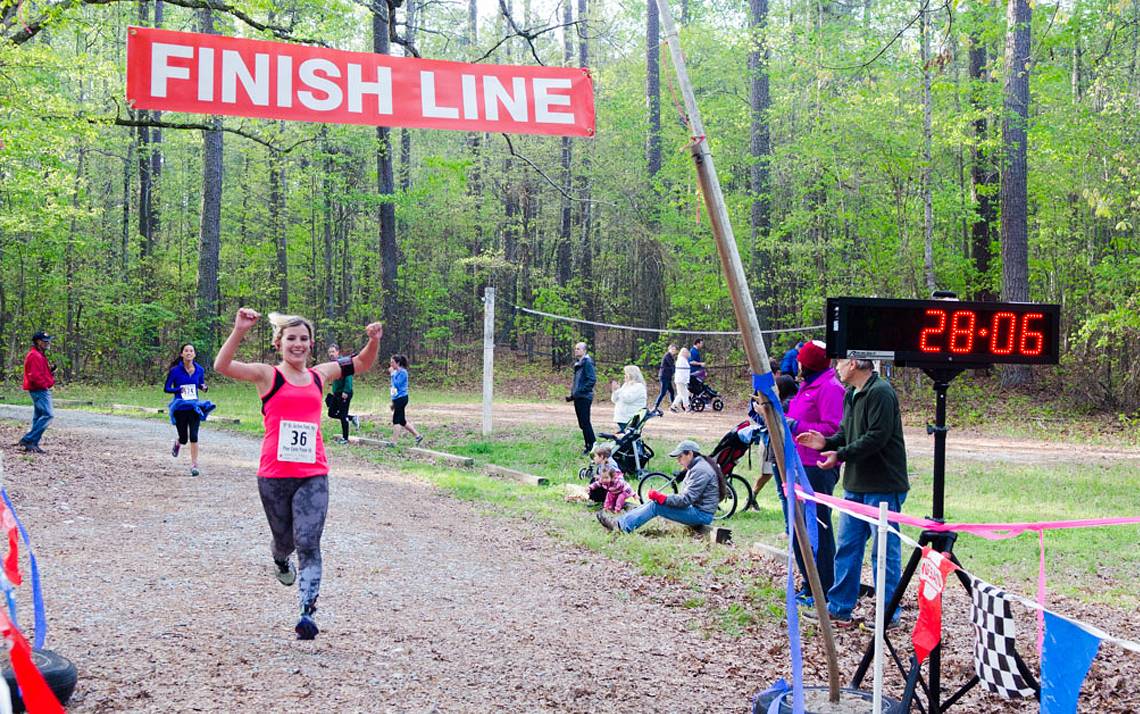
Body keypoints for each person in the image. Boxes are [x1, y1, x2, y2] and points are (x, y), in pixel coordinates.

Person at [214, 308, 383, 640]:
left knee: (308, 542)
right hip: (274, 475)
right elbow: (222, 366)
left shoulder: (321, 375)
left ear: (311, 344)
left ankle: (307, 610)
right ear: (279, 343)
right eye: (291, 338)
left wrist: (373, 341)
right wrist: (238, 330)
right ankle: (279, 559)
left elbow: (361, 363)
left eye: (303, 339)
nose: (298, 344)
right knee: (285, 541)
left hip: (313, 473)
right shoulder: (267, 375)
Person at [795, 358, 909, 629]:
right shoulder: (851, 394)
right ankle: (840, 608)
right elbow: (846, 432)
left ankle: (888, 614)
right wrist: (827, 442)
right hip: (855, 484)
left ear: (855, 363)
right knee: (848, 547)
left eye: (842, 361)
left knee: (883, 553)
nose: (836, 367)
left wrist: (840, 454)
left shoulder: (880, 392)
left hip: (884, 484)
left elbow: (877, 437)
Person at [784, 340, 846, 603]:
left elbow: (833, 429)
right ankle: (809, 584)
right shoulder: (807, 385)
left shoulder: (831, 388)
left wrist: (796, 424)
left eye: (800, 360)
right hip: (797, 463)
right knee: (799, 526)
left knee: (818, 526)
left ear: (807, 363)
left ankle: (823, 588)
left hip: (817, 467)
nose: (797, 363)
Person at [596, 439, 724, 534]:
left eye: (680, 456)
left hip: (701, 514)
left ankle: (622, 527)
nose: (678, 460)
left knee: (656, 505)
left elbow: (686, 500)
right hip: (698, 510)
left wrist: (663, 498)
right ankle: (621, 522)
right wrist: (662, 498)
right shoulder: (697, 466)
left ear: (690, 454)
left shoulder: (700, 470)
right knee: (655, 502)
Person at [164, 343, 215, 477]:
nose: (188, 353)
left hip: (194, 406)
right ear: (182, 354)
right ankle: (178, 442)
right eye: (186, 351)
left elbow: (200, 384)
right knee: (184, 438)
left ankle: (194, 465)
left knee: (194, 436)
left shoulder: (200, 370)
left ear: (194, 354)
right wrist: (177, 389)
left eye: (191, 351)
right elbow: (166, 388)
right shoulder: (175, 371)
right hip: (180, 407)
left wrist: (203, 387)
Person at [18, 331, 55, 454]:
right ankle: (28, 439)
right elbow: (34, 376)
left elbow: (40, 372)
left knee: (39, 417)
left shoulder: (39, 354)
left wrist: (50, 372)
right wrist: (45, 385)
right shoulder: (35, 355)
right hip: (39, 389)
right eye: (45, 341)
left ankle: (33, 443)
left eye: (48, 340)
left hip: (39, 388)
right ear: (38, 342)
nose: (48, 343)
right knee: (48, 415)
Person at [566, 342, 596, 455]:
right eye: (575, 349)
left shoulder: (587, 363)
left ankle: (592, 446)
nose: (576, 351)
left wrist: (580, 391)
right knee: (582, 424)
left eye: (578, 349)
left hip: (584, 397)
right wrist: (573, 395)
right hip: (578, 397)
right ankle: (588, 445)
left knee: (585, 422)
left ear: (584, 351)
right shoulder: (579, 363)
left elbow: (591, 380)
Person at [325, 344, 358, 445]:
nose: (331, 354)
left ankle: (345, 438)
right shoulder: (332, 364)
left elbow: (348, 377)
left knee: (343, 415)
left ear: (338, 352)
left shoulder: (344, 362)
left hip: (344, 393)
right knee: (331, 413)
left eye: (333, 352)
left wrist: (346, 391)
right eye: (330, 352)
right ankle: (352, 417)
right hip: (337, 393)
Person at [389, 354, 423, 445]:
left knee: (396, 420)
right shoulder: (395, 373)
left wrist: (392, 374)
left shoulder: (403, 373)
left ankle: (394, 442)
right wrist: (393, 401)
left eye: (392, 362)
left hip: (402, 398)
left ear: (398, 363)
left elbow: (398, 384)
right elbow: (393, 387)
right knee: (402, 421)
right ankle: (418, 436)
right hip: (397, 399)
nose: (391, 364)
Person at [610, 365, 647, 430]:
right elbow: (614, 400)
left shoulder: (639, 386)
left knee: (631, 437)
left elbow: (628, 399)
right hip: (622, 417)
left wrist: (619, 390)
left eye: (626, 374)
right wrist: (615, 391)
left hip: (631, 418)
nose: (624, 375)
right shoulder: (626, 385)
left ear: (631, 374)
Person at [652, 344, 677, 416]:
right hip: (664, 376)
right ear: (669, 349)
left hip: (668, 377)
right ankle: (655, 406)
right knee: (663, 392)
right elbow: (672, 366)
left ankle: (673, 406)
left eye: (674, 349)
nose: (673, 351)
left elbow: (673, 367)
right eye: (672, 349)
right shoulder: (667, 356)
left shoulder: (672, 357)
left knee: (672, 392)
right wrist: (676, 370)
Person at [670, 347, 691, 412]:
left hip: (682, 380)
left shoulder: (683, 359)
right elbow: (682, 372)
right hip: (681, 380)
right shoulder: (681, 360)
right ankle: (687, 407)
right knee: (685, 393)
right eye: (686, 353)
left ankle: (673, 406)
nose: (688, 354)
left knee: (680, 394)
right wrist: (685, 380)